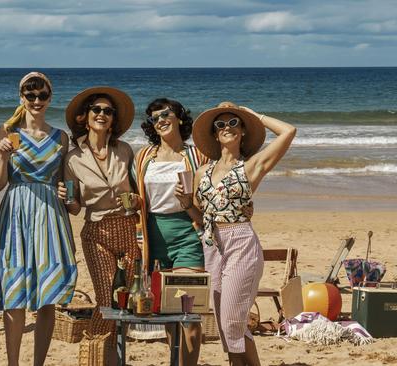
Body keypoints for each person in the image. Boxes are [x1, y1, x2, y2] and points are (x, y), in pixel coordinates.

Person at [192, 101, 296, 366]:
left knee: (231, 321)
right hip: (212, 246)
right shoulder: (202, 171)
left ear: (243, 131)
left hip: (240, 241)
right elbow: (198, 213)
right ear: (215, 134)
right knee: (224, 322)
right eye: (221, 124)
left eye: (233, 122)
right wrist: (184, 205)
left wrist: (251, 113)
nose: (227, 127)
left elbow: (288, 131)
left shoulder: (251, 166)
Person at [0, 72, 77, 366]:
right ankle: (13, 363)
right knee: (14, 295)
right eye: (31, 95)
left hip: (51, 217)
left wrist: (71, 197)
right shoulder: (7, 132)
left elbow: (67, 183)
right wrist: (1, 157)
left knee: (47, 294)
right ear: (21, 98)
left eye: (42, 95)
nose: (36, 101)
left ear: (50, 98)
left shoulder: (60, 137)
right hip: (15, 214)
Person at [60, 87, 139, 359]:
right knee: (106, 299)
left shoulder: (125, 150)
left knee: (125, 300)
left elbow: (139, 193)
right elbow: (74, 207)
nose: (102, 114)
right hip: (96, 231)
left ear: (114, 119)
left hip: (128, 228)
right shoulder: (72, 158)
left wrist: (135, 200)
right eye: (97, 110)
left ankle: (115, 357)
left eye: (108, 111)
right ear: (85, 117)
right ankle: (92, 353)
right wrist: (64, 198)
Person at [133, 98, 207, 365]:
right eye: (155, 118)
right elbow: (135, 195)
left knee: (189, 313)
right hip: (152, 240)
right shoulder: (143, 157)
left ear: (179, 117)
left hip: (188, 235)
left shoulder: (197, 155)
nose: (161, 120)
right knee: (166, 313)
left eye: (166, 114)